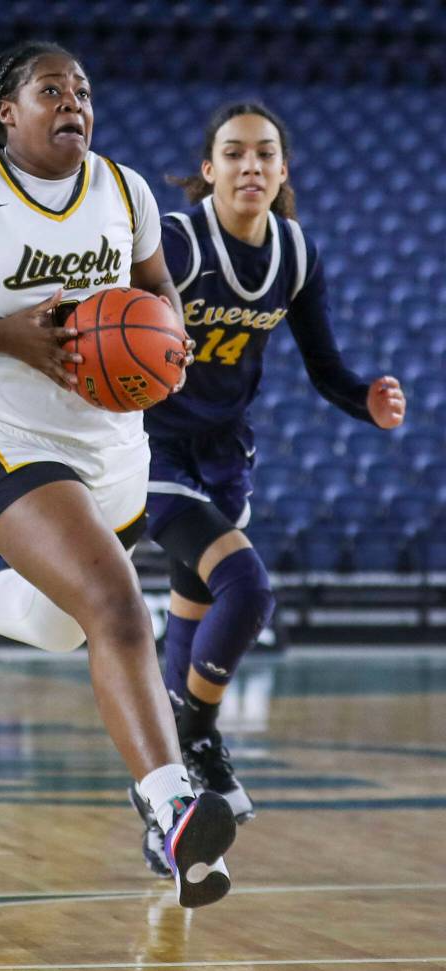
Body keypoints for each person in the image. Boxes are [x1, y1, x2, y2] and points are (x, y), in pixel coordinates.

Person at [0, 40, 236, 909]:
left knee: (65, 626)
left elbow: (159, 292)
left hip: (117, 450)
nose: (75, 103)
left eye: (84, 91)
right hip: (11, 443)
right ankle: (168, 806)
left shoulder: (127, 190)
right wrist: (2, 335)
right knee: (115, 608)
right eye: (51, 90)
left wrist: (164, 350)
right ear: (8, 112)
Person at [127, 102, 407, 876]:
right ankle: (197, 738)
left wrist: (366, 398)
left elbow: (326, 367)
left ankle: (166, 815)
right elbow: (105, 315)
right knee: (246, 590)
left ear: (283, 173)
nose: (251, 165)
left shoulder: (295, 254)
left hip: (224, 451)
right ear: (208, 168)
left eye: (265, 154)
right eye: (233, 152)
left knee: (193, 610)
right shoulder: (176, 242)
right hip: (151, 443)